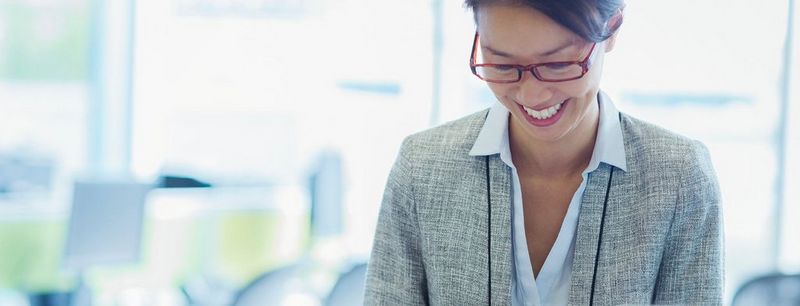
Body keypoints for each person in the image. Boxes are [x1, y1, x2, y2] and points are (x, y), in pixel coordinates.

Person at [364, 0, 723, 305]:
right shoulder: (422, 168)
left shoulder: (678, 178)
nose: (532, 96)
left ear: (611, 29)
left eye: (558, 64)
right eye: (502, 65)